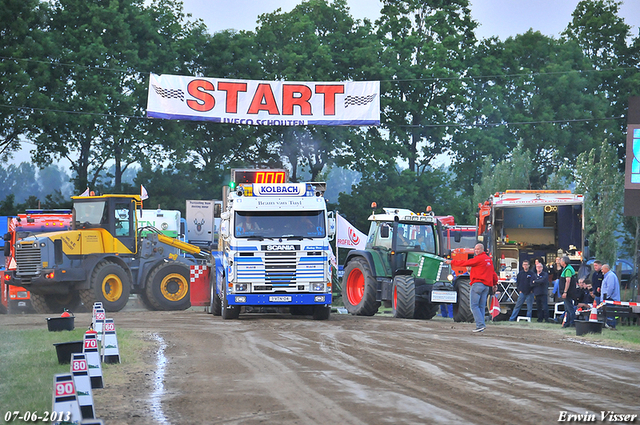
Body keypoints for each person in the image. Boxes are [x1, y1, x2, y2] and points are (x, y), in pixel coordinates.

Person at [445, 243, 498, 333]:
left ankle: (480, 325)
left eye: (478, 249)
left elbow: (465, 263)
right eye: (475, 249)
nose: (476, 251)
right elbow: (493, 273)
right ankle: (482, 325)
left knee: (473, 305)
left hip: (477, 284)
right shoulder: (488, 260)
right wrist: (494, 283)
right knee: (481, 306)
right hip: (486, 286)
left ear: (482, 250)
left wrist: (452, 262)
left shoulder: (478, 259)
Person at [601, 263, 621, 329]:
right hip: (608, 298)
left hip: (611, 299)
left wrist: (607, 296)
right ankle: (609, 324)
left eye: (602, 269)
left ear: (607, 269)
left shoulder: (610, 276)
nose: (601, 270)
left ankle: (611, 325)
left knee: (610, 312)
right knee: (608, 312)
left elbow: (610, 287)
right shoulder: (608, 276)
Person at [560, 256, 577, 328]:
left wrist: (565, 292)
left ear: (564, 262)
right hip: (568, 292)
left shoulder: (568, 270)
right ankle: (567, 323)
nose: (560, 262)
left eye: (561, 260)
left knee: (570, 308)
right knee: (567, 308)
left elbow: (568, 281)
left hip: (568, 292)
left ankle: (572, 323)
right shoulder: (567, 268)